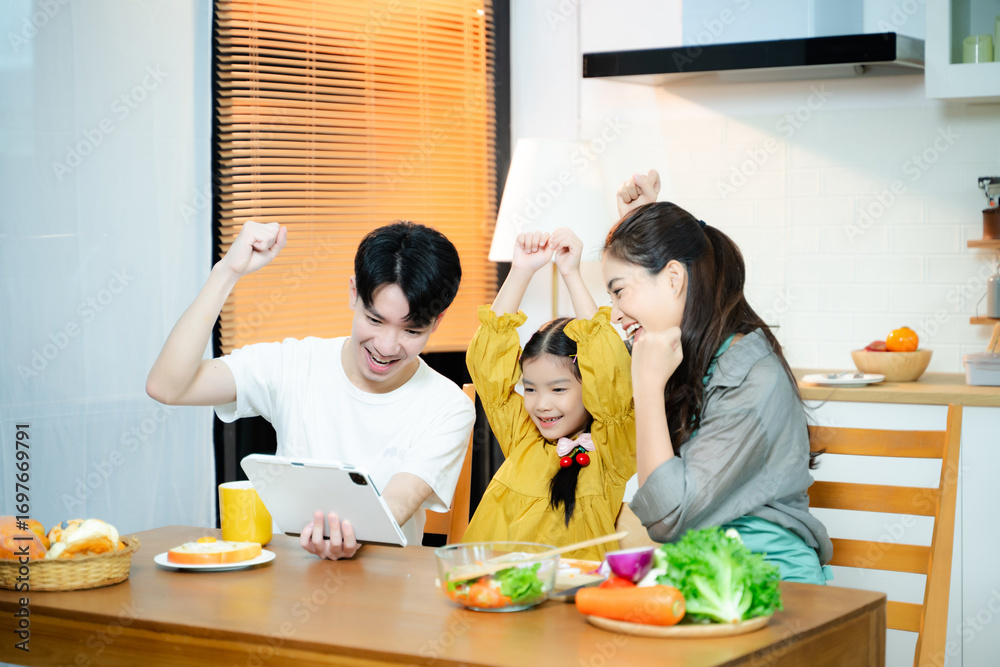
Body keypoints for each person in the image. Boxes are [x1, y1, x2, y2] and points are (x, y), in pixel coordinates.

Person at [146, 220, 475, 560]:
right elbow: (167, 386)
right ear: (353, 293)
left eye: (412, 331)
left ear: (437, 321)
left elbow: (397, 503)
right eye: (375, 321)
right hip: (283, 580)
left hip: (387, 585)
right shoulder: (293, 363)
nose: (387, 346)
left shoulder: (448, 406)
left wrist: (352, 536)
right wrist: (226, 272)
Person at [605, 170, 833, 584]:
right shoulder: (694, 352)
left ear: (674, 279)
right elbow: (600, 367)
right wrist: (643, 225)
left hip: (771, 587)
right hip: (703, 575)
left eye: (619, 292)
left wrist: (648, 389)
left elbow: (668, 519)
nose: (615, 314)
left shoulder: (750, 376)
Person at [461, 228, 636, 561]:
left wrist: (571, 274)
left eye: (558, 389)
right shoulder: (523, 434)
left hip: (573, 591)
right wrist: (520, 271)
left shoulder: (613, 446)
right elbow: (487, 364)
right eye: (529, 389)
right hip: (490, 583)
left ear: (592, 385)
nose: (541, 405)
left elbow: (610, 367)